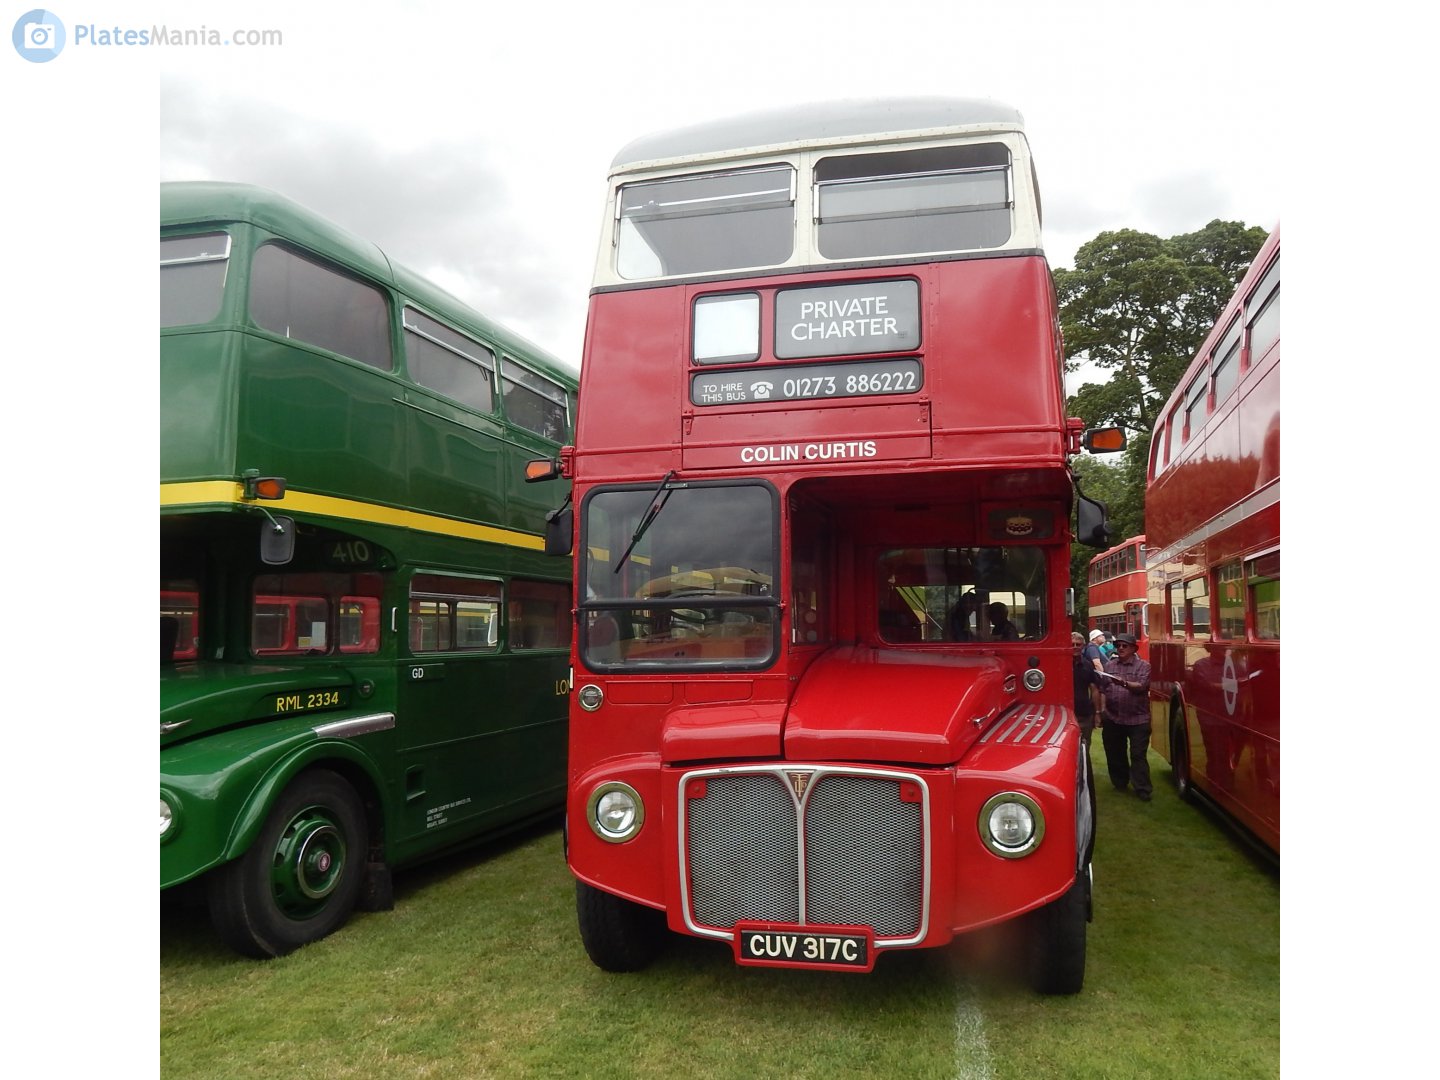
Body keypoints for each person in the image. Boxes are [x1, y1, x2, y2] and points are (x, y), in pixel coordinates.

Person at [1099, 632, 1154, 800]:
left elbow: (1141, 686)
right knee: (1115, 752)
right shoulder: (1110, 666)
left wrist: (1123, 683)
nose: (1120, 648)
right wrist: (1102, 711)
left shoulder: (1144, 666)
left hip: (1138, 719)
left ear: (1133, 649)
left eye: (1124, 646)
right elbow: (1103, 689)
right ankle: (1120, 783)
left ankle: (1142, 789)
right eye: (1118, 645)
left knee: (1138, 754)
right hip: (1114, 717)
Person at [1071, 631, 1104, 752]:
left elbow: (1094, 689)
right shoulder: (1060, 665)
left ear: (1083, 646)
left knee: (1084, 747)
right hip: (1065, 713)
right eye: (1072, 644)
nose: (1075, 647)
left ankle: (1086, 771)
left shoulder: (1088, 665)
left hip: (1083, 714)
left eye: (1078, 644)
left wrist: (1097, 712)